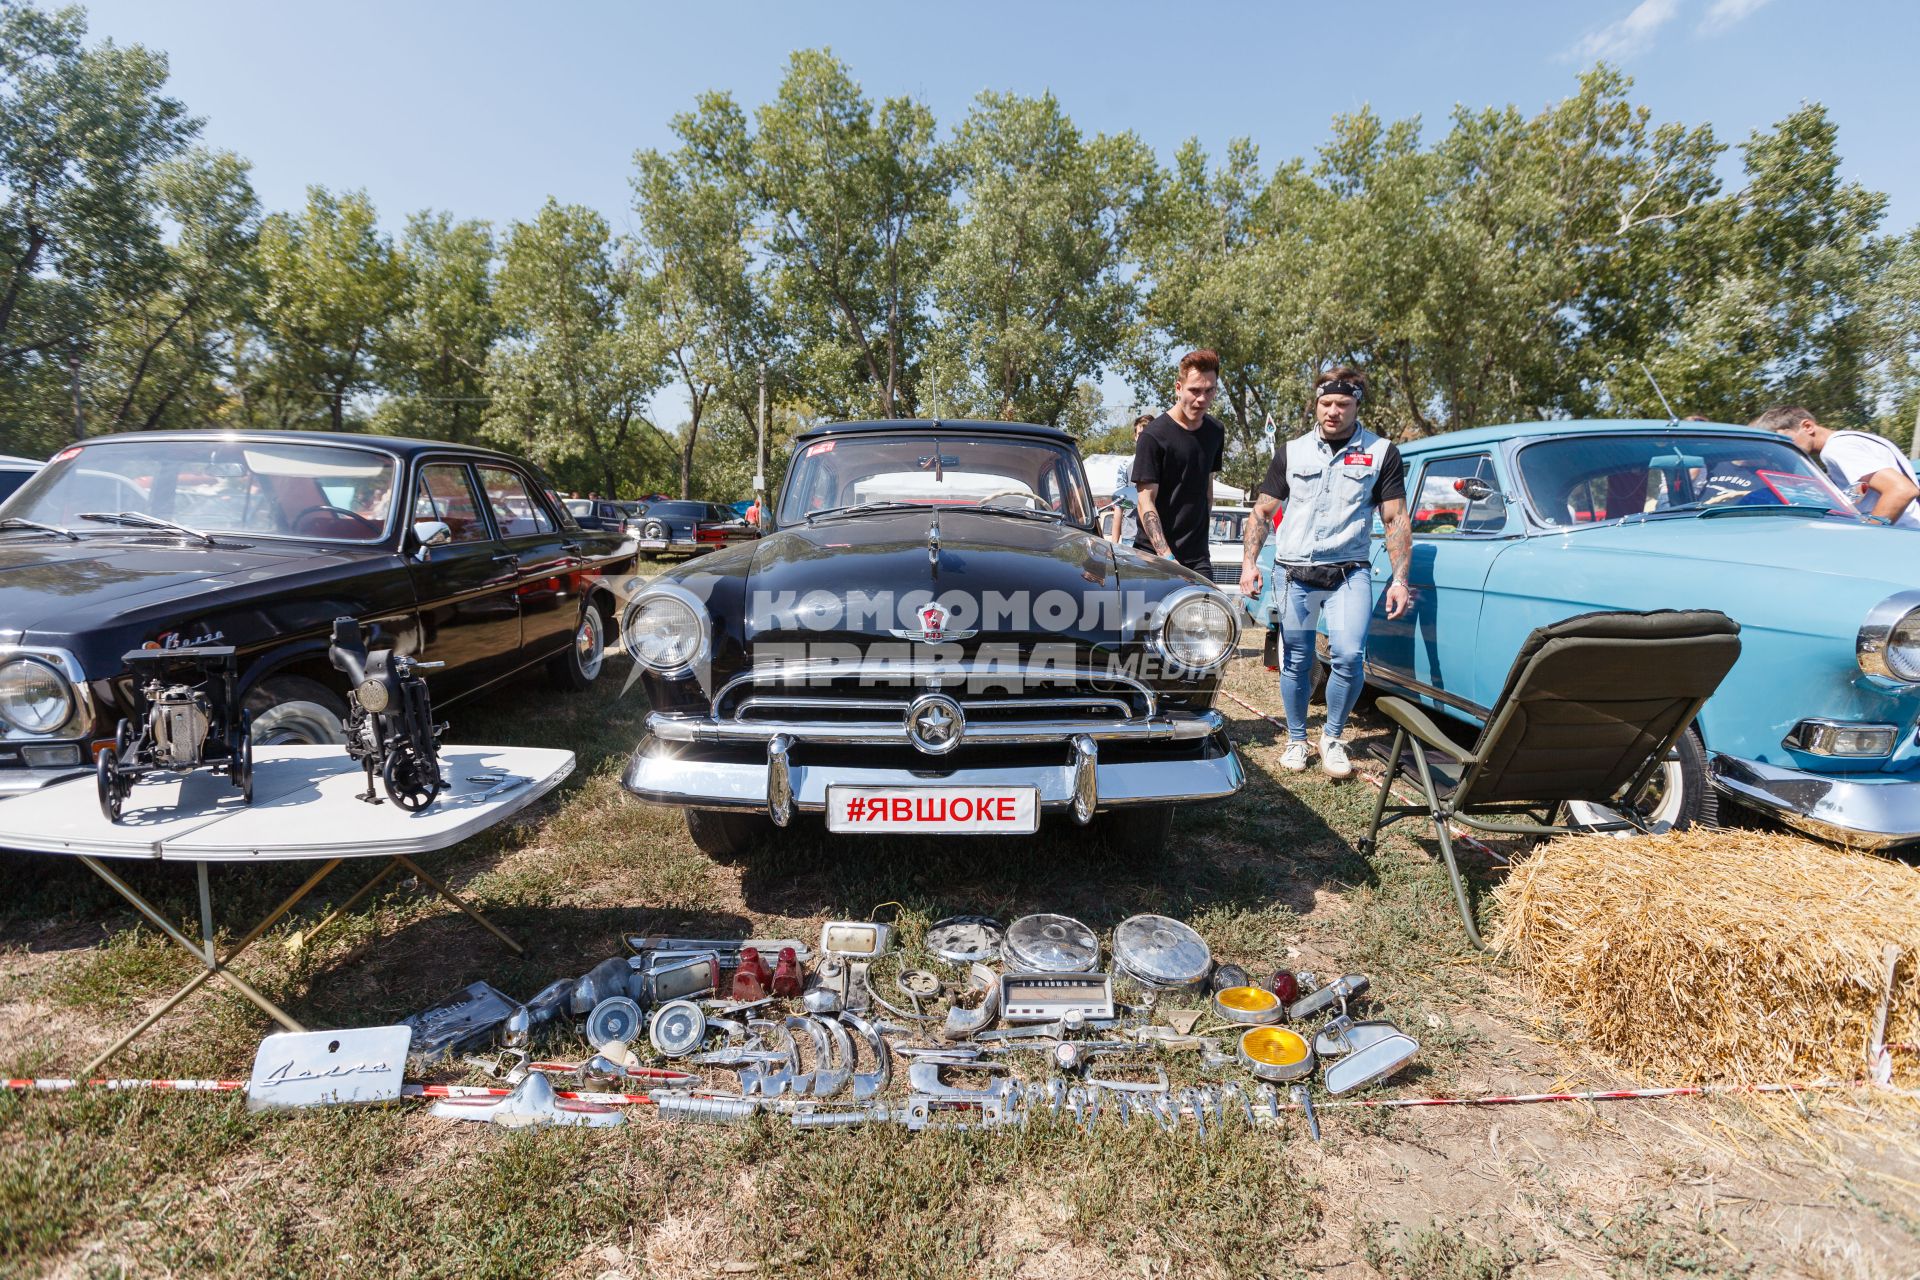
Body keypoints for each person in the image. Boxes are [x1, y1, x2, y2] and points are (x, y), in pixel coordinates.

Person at [1238, 367, 1412, 779]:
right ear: (1316, 403)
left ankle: (1332, 738)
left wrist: (1400, 579)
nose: (1333, 411)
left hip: (1349, 572)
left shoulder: (1381, 452)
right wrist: (1249, 564)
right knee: (1297, 661)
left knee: (1349, 656)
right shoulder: (1292, 451)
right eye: (1326, 403)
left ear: (1357, 405)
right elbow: (1262, 511)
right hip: (1294, 572)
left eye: (1343, 404)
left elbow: (1395, 519)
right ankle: (1297, 739)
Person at [1133, 352, 1226, 573]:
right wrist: (1166, 555)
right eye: (1194, 390)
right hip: (1154, 558)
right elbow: (1145, 502)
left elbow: (1207, 490)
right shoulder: (1153, 436)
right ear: (1178, 388)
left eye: (1209, 390)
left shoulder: (1216, 431)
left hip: (1198, 559)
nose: (1202, 398)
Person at [1754, 407, 1920, 528]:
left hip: (1902, 532)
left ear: (1807, 427)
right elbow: (1864, 490)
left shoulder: (1837, 448)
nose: (1781, 445)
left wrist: (1869, 533)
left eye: (1782, 438)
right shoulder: (1850, 440)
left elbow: (1901, 490)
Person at [1100, 414, 1155, 542]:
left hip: (1158, 539)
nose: (1145, 438)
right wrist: (1114, 544)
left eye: (1149, 434)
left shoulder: (1164, 464)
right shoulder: (1125, 466)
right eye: (1141, 434)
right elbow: (1119, 505)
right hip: (1130, 538)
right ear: (1135, 437)